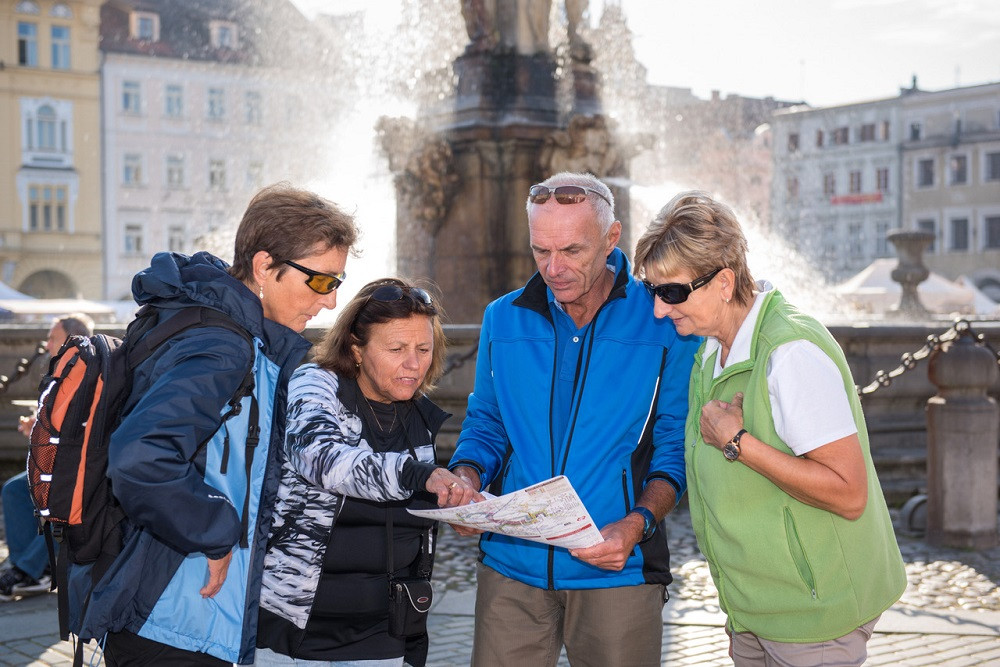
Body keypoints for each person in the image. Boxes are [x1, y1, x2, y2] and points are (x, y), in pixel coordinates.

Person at [72, 183, 360, 666]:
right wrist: (215, 530)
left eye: (338, 283)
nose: (330, 302)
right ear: (265, 266)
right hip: (176, 617)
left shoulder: (218, 326)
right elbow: (140, 455)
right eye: (320, 281)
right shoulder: (223, 346)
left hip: (178, 609)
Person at [632, 191, 906, 666]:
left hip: (813, 617)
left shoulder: (790, 352)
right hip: (754, 612)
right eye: (651, 291)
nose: (659, 309)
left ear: (723, 281)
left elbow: (848, 492)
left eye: (672, 292)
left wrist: (739, 443)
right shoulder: (711, 350)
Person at [448, 172, 701, 667]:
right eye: (541, 251)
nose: (554, 268)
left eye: (571, 251)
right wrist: (466, 479)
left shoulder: (665, 318)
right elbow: (487, 421)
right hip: (509, 569)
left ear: (611, 238)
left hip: (617, 572)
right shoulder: (502, 316)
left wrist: (636, 523)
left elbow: (675, 443)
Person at [255, 278, 481, 667]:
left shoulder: (417, 411)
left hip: (387, 633)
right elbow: (321, 458)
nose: (414, 364)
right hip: (298, 633)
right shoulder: (317, 383)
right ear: (356, 349)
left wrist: (461, 509)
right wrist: (419, 475)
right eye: (396, 349)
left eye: (423, 349)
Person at [1, 314, 94, 602]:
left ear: (70, 340)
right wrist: (37, 427)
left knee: (53, 499)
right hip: (61, 460)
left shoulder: (89, 370)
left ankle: (30, 570)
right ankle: (28, 568)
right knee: (16, 489)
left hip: (82, 466)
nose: (47, 343)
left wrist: (41, 428)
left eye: (53, 338)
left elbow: (83, 428)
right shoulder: (63, 371)